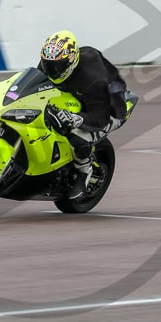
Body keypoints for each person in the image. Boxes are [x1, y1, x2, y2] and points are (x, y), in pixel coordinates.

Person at [38, 30, 130, 199]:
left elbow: (100, 118)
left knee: (77, 136)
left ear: (71, 61)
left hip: (110, 109)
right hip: (77, 97)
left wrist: (75, 119)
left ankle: (85, 172)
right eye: (48, 65)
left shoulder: (93, 80)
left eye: (57, 66)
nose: (52, 70)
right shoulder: (52, 61)